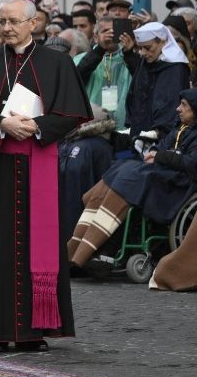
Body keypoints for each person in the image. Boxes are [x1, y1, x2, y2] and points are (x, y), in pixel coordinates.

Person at [0, 0, 92, 353]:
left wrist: (38, 125)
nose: (7, 28)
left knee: (35, 245)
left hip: (37, 163)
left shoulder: (57, 64)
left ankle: (34, 330)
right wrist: (1, 124)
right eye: (2, 21)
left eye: (14, 21)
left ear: (34, 23)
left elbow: (73, 114)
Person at [68, 89, 197, 269]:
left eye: (183, 105)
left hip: (177, 185)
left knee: (129, 176)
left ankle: (97, 251)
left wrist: (160, 156)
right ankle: (78, 249)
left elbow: (191, 163)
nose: (177, 109)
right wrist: (155, 152)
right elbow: (162, 148)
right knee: (121, 167)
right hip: (161, 175)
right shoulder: (179, 128)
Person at [126, 22, 190, 139]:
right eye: (140, 48)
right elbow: (134, 94)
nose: (143, 53)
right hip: (139, 132)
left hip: (163, 137)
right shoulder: (145, 62)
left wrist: (159, 131)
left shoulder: (175, 67)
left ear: (162, 41)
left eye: (148, 47)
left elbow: (171, 104)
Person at [76, 16, 136, 130]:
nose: (111, 35)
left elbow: (142, 80)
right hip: (90, 123)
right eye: (105, 31)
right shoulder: (81, 58)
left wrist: (130, 53)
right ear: (95, 37)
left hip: (123, 125)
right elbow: (76, 81)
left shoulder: (129, 57)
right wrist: (100, 49)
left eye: (114, 31)